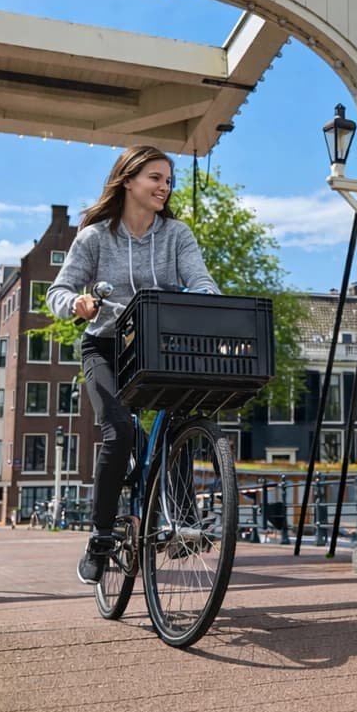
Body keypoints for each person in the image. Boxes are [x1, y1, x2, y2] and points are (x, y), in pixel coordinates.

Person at [47, 145, 219, 585]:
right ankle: (101, 537)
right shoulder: (94, 237)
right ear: (128, 181)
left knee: (181, 419)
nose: (165, 187)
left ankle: (181, 519)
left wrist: (208, 301)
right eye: (155, 179)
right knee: (119, 431)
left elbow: (200, 280)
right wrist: (78, 304)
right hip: (105, 345)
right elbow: (58, 291)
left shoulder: (177, 234)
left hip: (158, 347)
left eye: (168, 180)